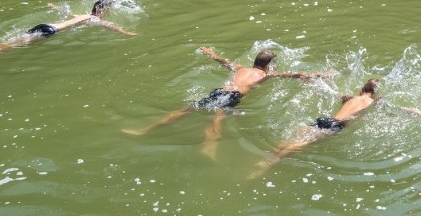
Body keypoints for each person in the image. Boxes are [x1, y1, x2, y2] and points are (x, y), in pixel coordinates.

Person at [123, 47, 331, 159]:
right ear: (268, 65)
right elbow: (292, 75)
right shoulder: (263, 75)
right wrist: (318, 75)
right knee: (217, 119)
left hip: (220, 91)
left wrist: (211, 54)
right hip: (232, 97)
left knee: (184, 110)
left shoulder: (240, 68)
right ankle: (209, 147)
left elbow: (224, 61)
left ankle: (145, 130)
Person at [252, 78, 421, 175]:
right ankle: (269, 163)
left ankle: (272, 154)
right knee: (301, 144)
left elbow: (329, 90)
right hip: (336, 125)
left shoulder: (351, 97)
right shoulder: (374, 103)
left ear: (361, 90)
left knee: (296, 136)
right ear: (374, 94)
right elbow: (402, 109)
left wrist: (314, 80)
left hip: (325, 118)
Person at [0, 0, 135, 58]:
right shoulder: (93, 18)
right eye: (108, 11)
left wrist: (53, 6)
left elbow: (66, 12)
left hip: (46, 26)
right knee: (13, 46)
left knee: (12, 42)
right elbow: (110, 26)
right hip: (49, 31)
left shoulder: (83, 15)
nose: (108, 14)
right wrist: (126, 32)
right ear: (101, 10)